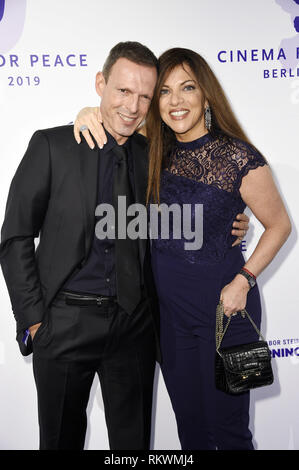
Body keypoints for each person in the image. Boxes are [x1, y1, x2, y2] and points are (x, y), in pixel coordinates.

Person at [0, 42, 249, 451]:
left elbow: (199, 204)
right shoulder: (53, 145)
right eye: (122, 91)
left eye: (145, 96)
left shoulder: (155, 155)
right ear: (100, 84)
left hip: (134, 328)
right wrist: (33, 319)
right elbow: (15, 236)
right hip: (63, 324)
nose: (133, 106)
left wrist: (234, 221)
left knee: (134, 449)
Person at [73, 47, 291, 450]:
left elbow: (280, 225)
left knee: (229, 431)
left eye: (187, 88)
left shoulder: (238, 157)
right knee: (190, 431)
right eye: (165, 91)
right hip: (170, 319)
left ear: (206, 95)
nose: (176, 101)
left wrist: (244, 280)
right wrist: (87, 111)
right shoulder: (152, 149)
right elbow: (108, 119)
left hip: (224, 310)